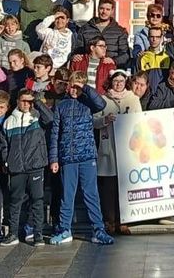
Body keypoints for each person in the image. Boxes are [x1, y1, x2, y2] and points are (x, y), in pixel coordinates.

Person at [47, 69, 113, 246]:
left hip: (86, 156)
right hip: (67, 158)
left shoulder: (88, 102)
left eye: (77, 87)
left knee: (91, 194)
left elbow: (101, 104)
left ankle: (98, 230)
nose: (74, 90)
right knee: (66, 196)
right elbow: (55, 134)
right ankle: (65, 229)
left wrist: (85, 88)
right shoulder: (61, 105)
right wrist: (54, 159)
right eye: (72, 86)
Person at [0, 87, 52, 247]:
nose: (26, 104)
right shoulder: (9, 121)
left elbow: (51, 119)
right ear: (17, 101)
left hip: (35, 166)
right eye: (24, 100)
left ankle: (38, 235)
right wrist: (6, 162)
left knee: (37, 200)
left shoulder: (37, 116)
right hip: (17, 168)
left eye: (29, 101)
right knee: (15, 202)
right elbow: (4, 146)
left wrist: (36, 101)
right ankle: (13, 234)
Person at [94, 72, 141, 237]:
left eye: (121, 81)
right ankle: (110, 221)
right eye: (116, 81)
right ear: (111, 82)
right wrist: (105, 120)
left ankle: (124, 221)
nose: (119, 84)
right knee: (109, 188)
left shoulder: (133, 99)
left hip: (127, 149)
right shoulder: (102, 100)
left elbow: (140, 121)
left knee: (125, 187)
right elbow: (94, 120)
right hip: (109, 148)